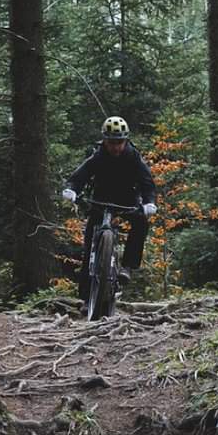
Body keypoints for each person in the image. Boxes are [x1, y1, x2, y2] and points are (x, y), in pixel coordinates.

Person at [61, 116, 157, 300]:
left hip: (127, 199)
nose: (116, 147)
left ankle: (127, 266)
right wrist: (71, 189)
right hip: (100, 199)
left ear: (126, 140)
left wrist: (149, 202)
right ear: (104, 140)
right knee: (89, 246)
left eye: (120, 142)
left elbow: (147, 182)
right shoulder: (98, 155)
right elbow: (81, 174)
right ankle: (84, 298)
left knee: (141, 223)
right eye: (112, 142)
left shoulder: (133, 156)